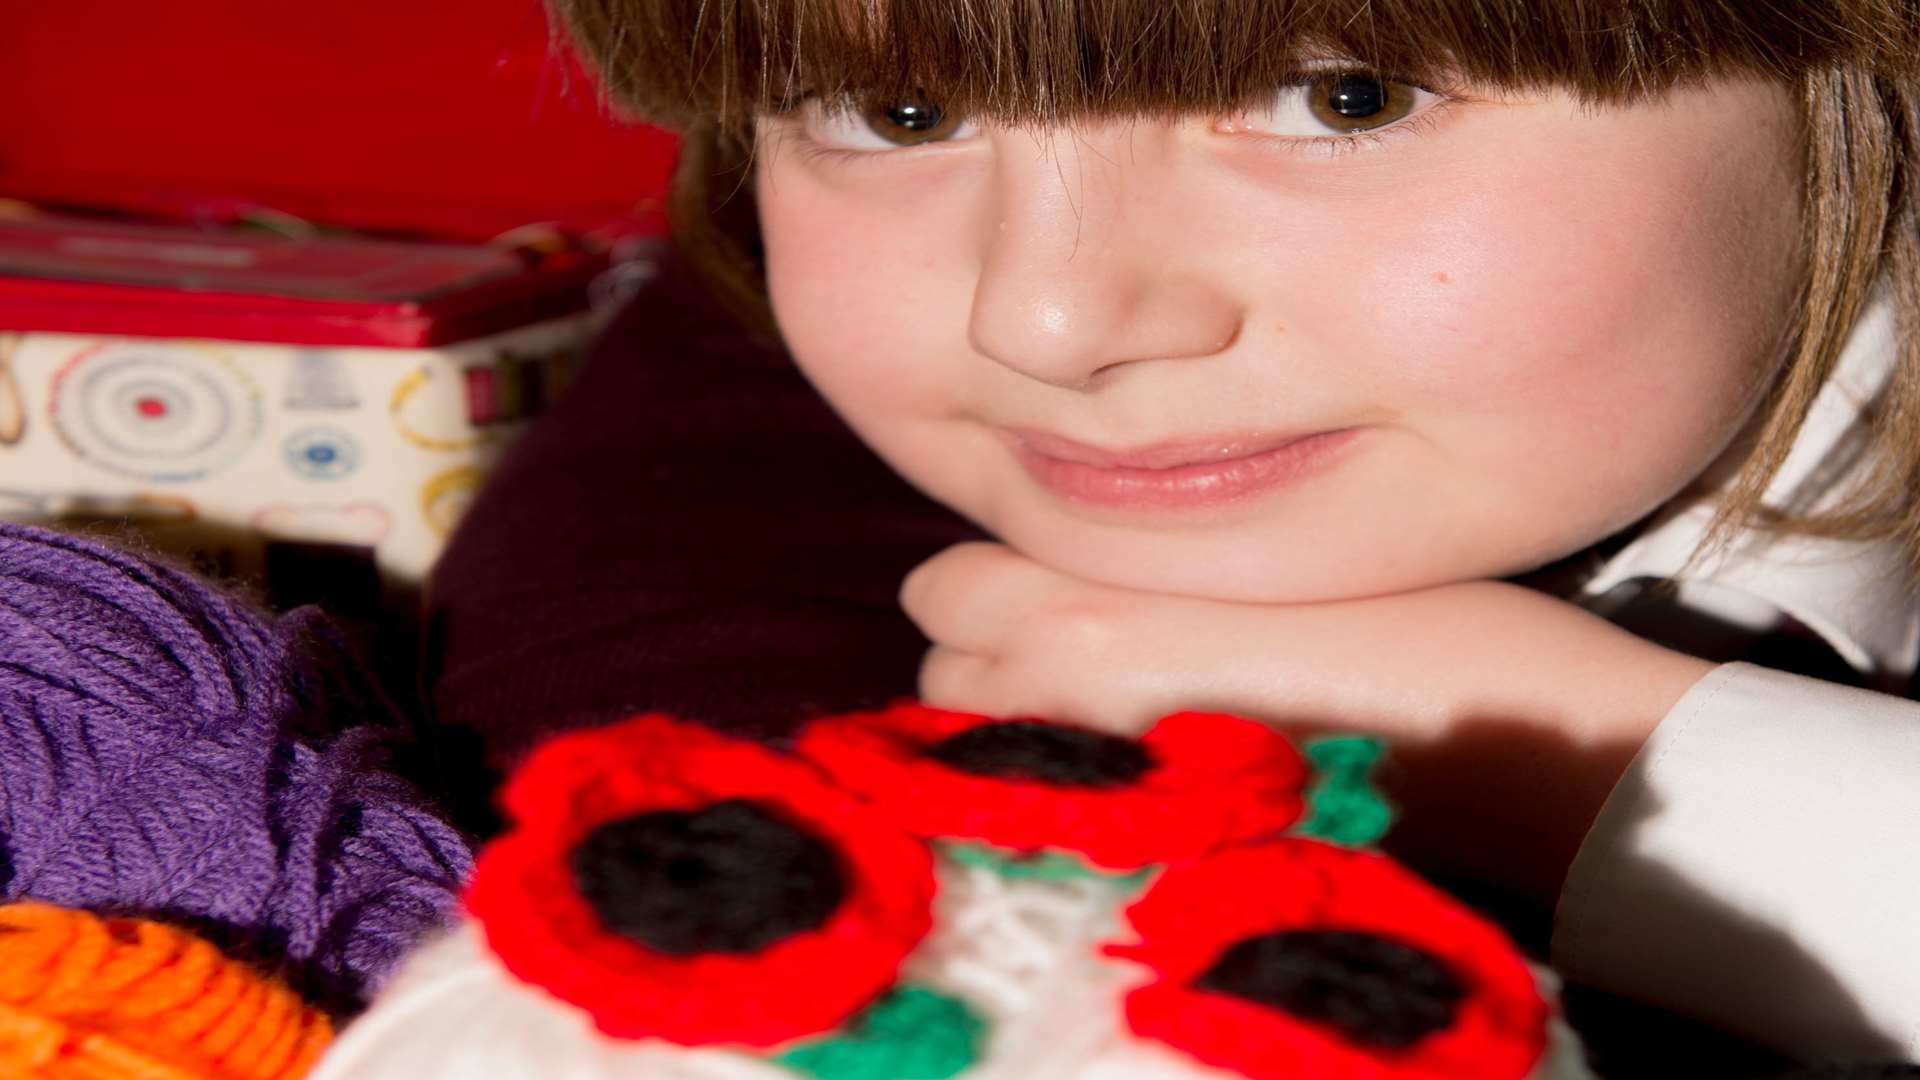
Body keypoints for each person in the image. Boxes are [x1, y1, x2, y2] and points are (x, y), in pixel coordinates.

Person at [429, 0, 1920, 1067]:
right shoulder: (747, 348)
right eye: (901, 113)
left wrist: (1571, 767)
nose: (1044, 318)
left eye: (1346, 96)